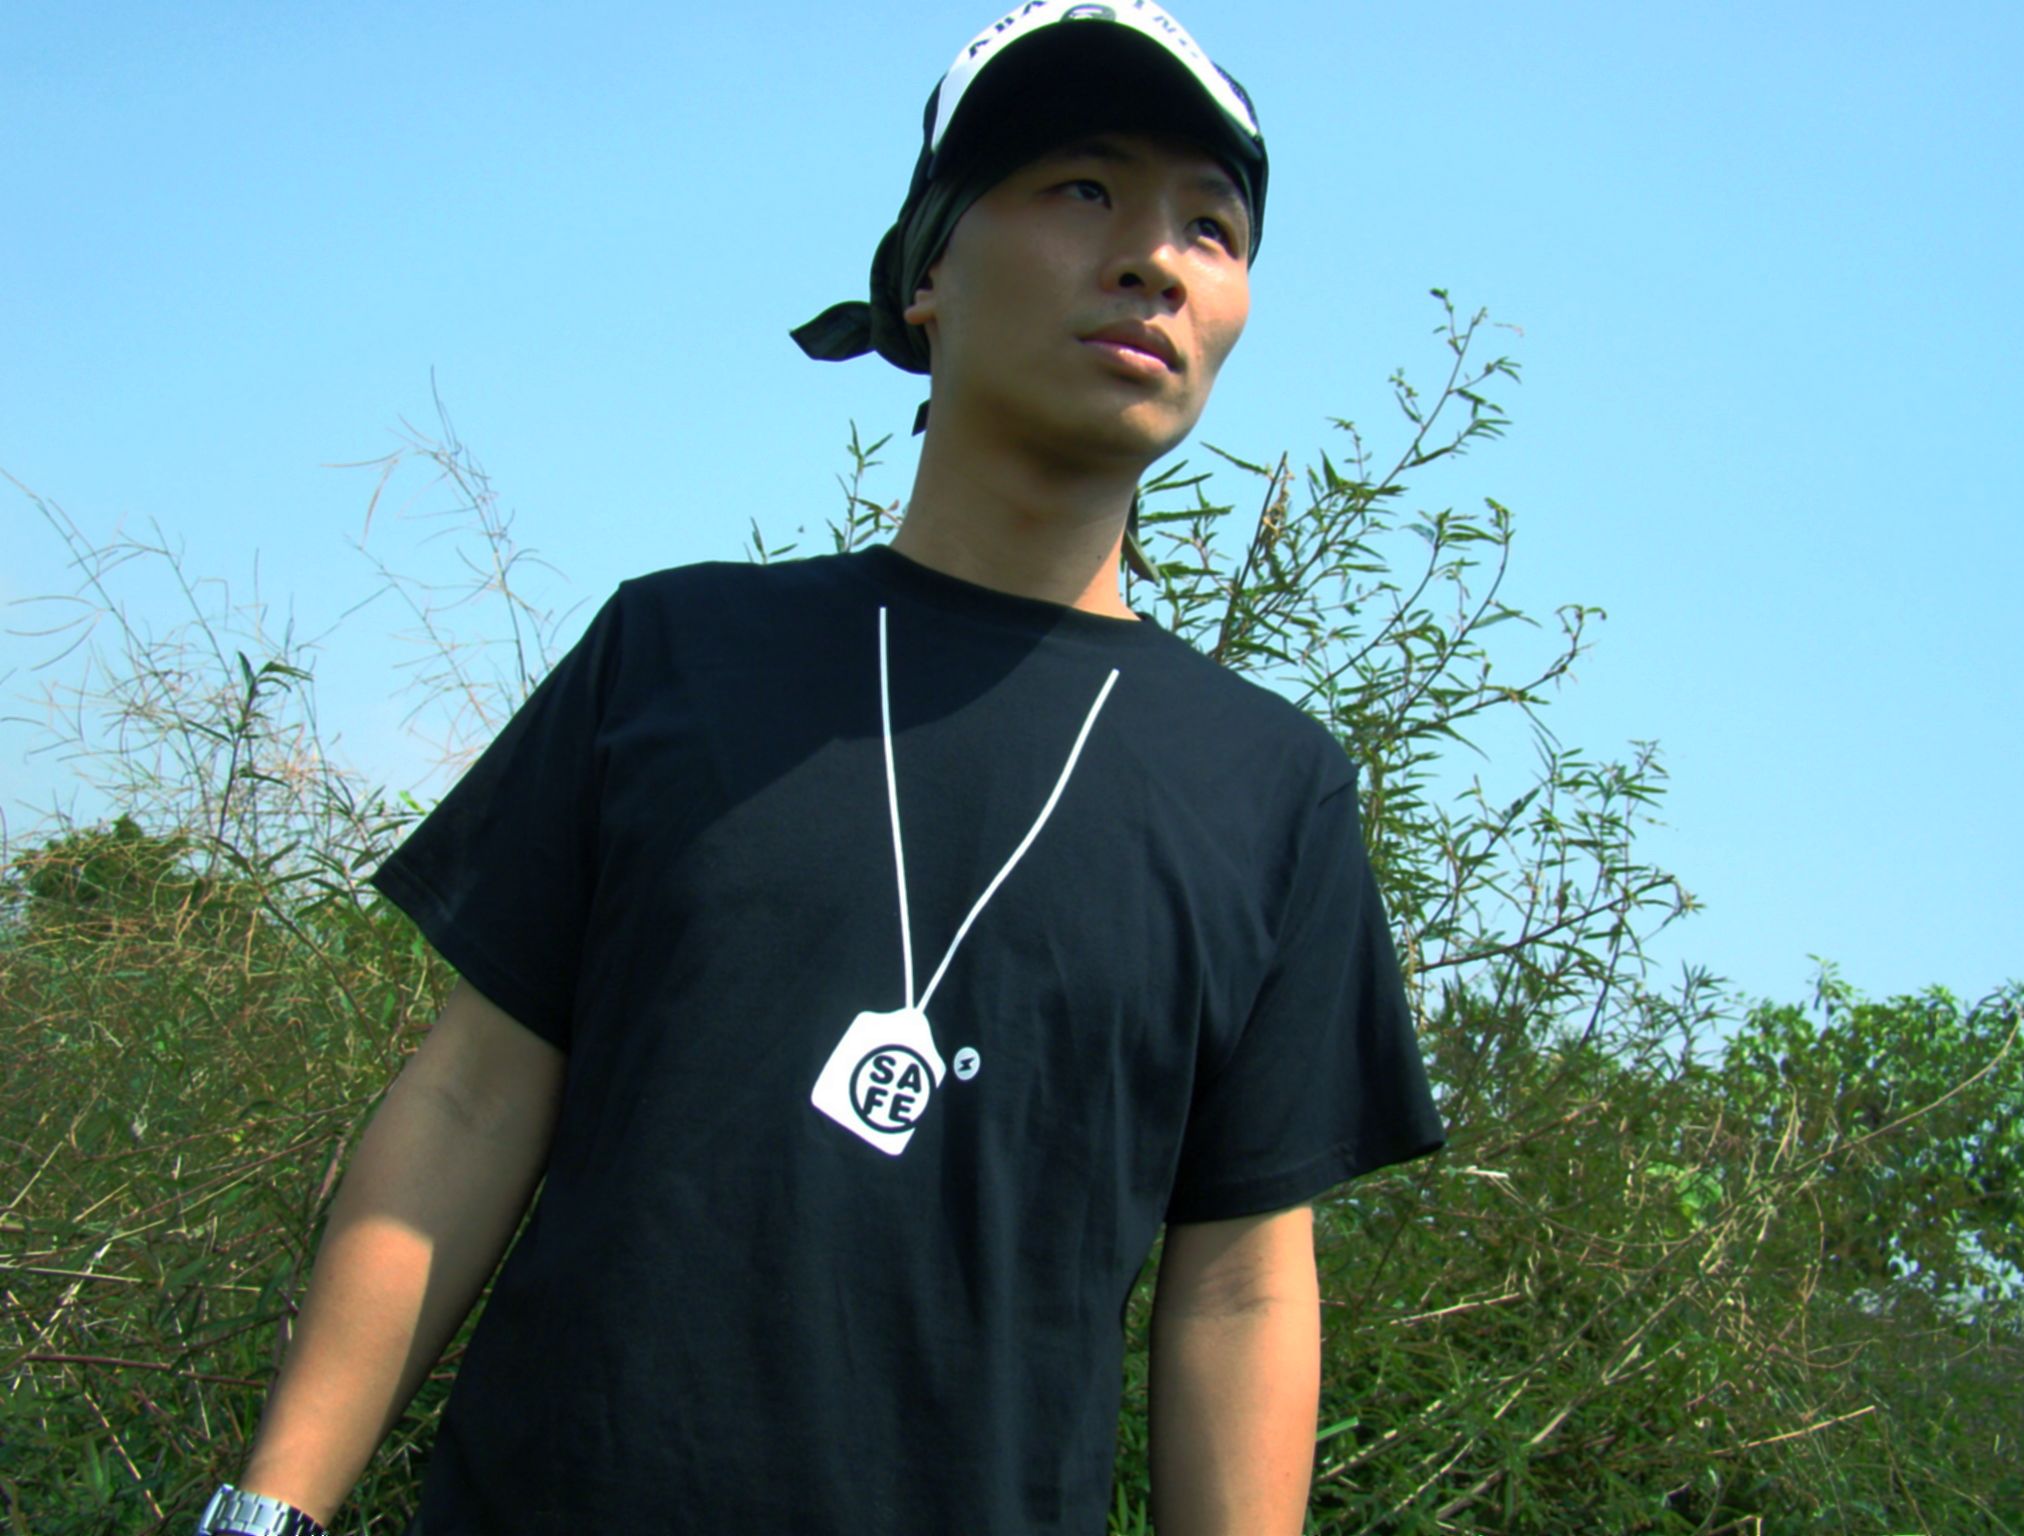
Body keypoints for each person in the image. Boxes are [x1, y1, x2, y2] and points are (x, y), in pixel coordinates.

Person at [194, 4, 1443, 1533]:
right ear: (927, 271)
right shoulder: (676, 654)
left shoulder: (1270, 791)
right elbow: (466, 1108)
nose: (1155, 260)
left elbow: (1244, 1288)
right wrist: (268, 1515)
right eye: (1083, 188)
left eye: (1213, 227)